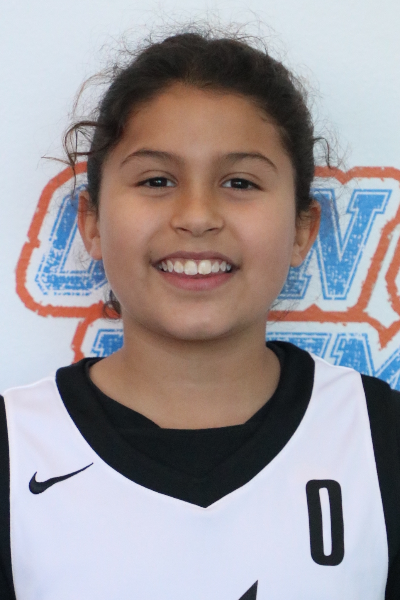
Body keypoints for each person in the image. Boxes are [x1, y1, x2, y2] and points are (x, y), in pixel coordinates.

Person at [1, 28, 400, 600]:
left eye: (239, 182)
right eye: (156, 180)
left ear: (302, 230)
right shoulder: (16, 447)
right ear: (91, 223)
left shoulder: (380, 440)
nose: (196, 215)